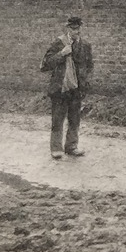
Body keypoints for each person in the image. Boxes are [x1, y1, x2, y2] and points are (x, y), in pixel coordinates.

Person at [42, 15, 93, 160]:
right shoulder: (58, 43)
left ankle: (71, 146)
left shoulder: (85, 45)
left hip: (76, 89)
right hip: (60, 88)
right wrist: (62, 54)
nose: (76, 31)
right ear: (68, 28)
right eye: (73, 28)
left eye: (78, 28)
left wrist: (85, 81)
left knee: (75, 118)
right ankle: (56, 148)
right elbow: (46, 64)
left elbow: (89, 66)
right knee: (58, 119)